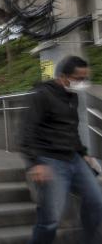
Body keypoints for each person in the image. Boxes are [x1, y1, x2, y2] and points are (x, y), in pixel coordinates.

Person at [21, 56, 102, 244]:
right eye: (79, 78)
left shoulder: (72, 96)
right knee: (51, 218)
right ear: (64, 77)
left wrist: (84, 153)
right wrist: (35, 163)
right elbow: (27, 131)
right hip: (50, 160)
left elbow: (71, 129)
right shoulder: (41, 95)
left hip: (74, 158)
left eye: (85, 78)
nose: (82, 83)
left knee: (97, 202)